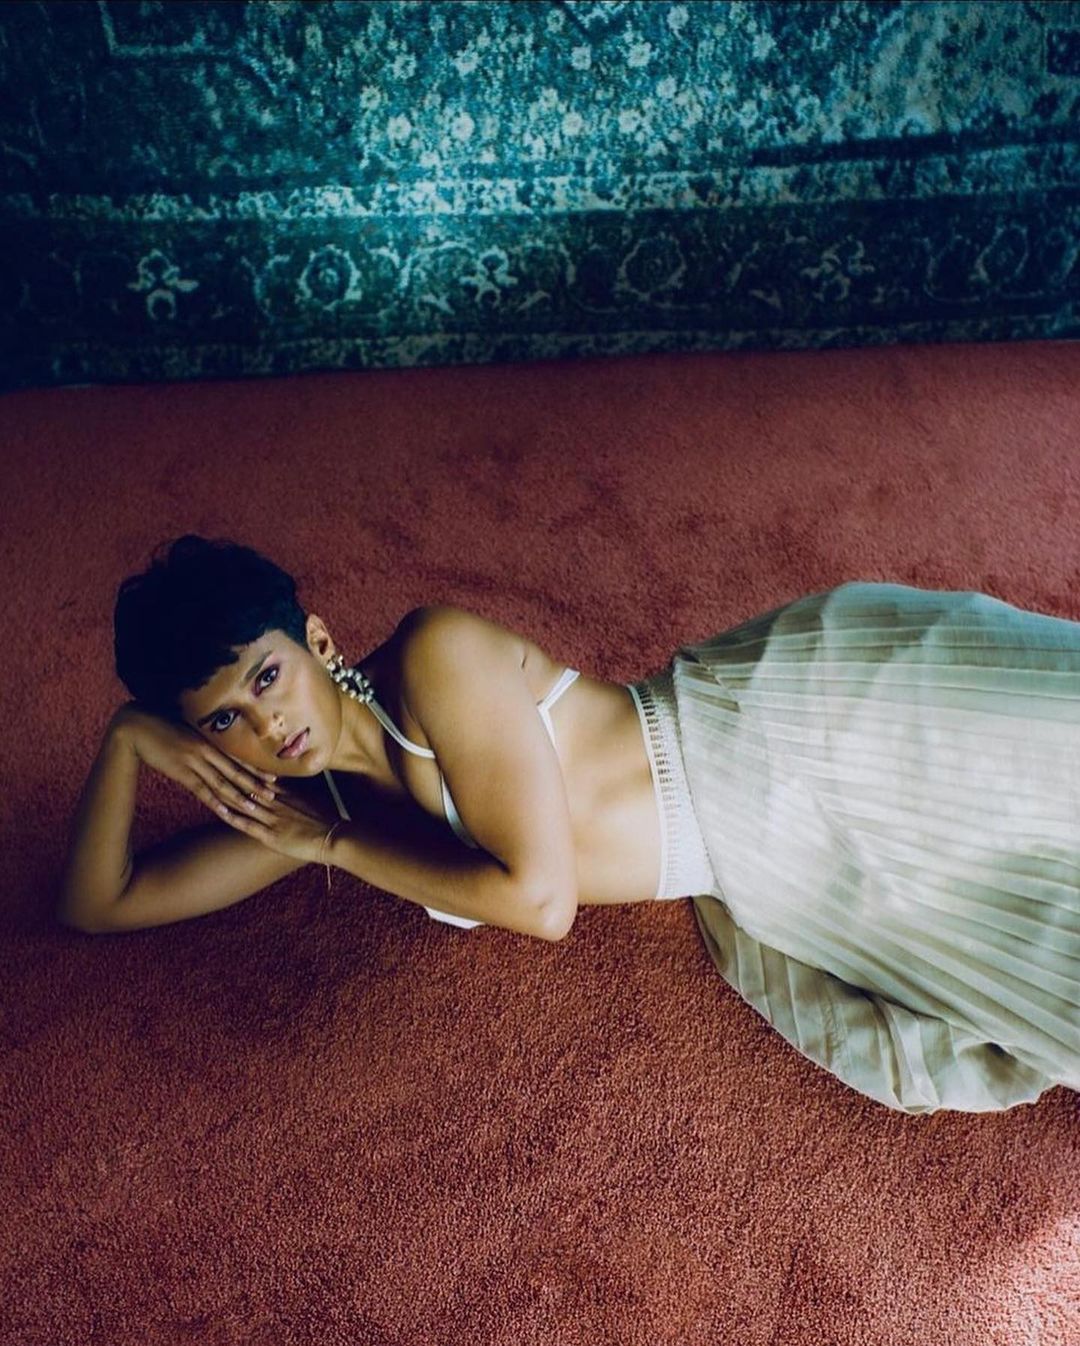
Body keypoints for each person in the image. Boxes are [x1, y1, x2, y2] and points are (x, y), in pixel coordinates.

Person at [57, 536, 1080, 1117]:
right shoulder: (316, 803)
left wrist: (328, 846)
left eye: (266, 676)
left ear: (318, 642)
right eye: (222, 721)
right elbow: (101, 903)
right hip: (757, 858)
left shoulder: (433, 656)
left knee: (1034, 764)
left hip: (762, 732)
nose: (265, 725)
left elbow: (541, 902)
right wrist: (128, 741)